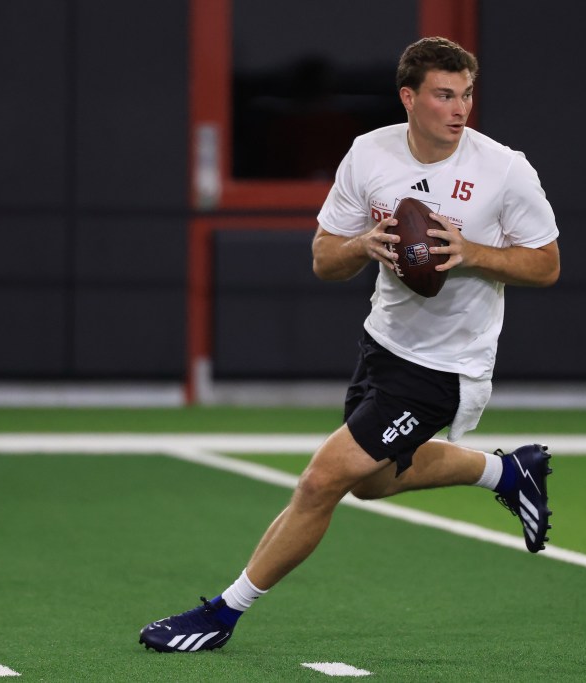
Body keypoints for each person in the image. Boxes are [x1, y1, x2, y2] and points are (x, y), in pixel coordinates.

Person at [140, 36, 560, 654]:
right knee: (373, 483)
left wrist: (471, 253)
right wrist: (364, 244)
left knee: (321, 482)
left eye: (466, 94)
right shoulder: (369, 154)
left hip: (447, 362)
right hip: (383, 344)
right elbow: (323, 260)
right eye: (444, 95)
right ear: (408, 98)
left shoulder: (503, 167)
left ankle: (222, 614)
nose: (459, 108)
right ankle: (507, 470)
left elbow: (547, 265)